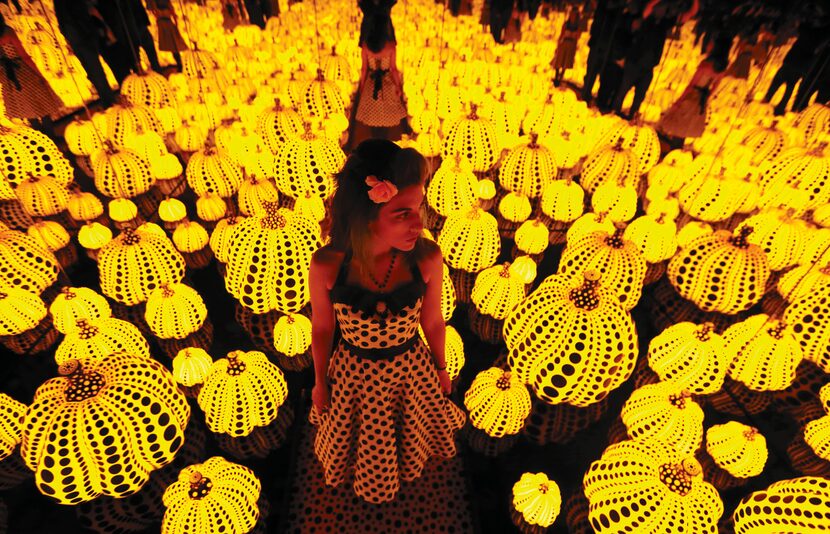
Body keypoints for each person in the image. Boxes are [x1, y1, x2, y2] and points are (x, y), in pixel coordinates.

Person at [309, 139, 465, 504]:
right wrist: (319, 382)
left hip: (410, 372)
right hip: (352, 376)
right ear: (366, 214)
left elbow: (433, 321)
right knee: (358, 439)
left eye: (418, 209)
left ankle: (405, 475)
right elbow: (322, 328)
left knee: (408, 434)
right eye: (402, 214)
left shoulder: (427, 258)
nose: (418, 224)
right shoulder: (327, 265)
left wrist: (442, 368)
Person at [611, 0, 699, 119]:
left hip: (648, 67)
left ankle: (631, 118)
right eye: (660, 8)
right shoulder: (646, 19)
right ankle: (614, 114)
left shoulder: (663, 25)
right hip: (634, 63)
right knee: (622, 92)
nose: (662, 11)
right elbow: (648, 6)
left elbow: (688, 15)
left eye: (663, 9)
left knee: (640, 97)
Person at [349, 0, 407, 149]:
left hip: (371, 83)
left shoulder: (366, 46)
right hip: (387, 83)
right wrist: (398, 86)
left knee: (372, 121)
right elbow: (393, 69)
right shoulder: (390, 47)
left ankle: (374, 144)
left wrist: (361, 88)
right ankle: (385, 144)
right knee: (387, 120)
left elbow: (364, 70)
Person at [0, 12, 62, 133]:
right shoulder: (7, 32)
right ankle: (51, 135)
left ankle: (42, 137)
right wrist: (39, 74)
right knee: (42, 103)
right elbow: (23, 55)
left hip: (6, 76)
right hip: (22, 71)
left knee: (27, 108)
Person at [656, 49, 727, 150]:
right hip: (701, 100)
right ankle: (676, 150)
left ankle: (674, 149)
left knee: (679, 124)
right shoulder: (721, 71)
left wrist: (679, 101)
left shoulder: (705, 66)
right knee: (687, 126)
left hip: (692, 95)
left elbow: (692, 85)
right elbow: (715, 87)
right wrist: (706, 96)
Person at [53, 0, 117, 106]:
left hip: (81, 35)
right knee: (95, 71)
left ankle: (108, 100)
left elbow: (64, 19)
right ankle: (108, 101)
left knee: (95, 70)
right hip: (83, 34)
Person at [763, 23, 825, 115]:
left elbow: (801, 27)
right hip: (801, 65)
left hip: (793, 62)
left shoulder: (809, 31)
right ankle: (780, 107)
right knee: (789, 86)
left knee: (778, 81)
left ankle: (768, 101)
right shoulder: (819, 36)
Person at [147, 0, 187, 71]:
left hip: (166, 22)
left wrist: (174, 18)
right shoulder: (155, 4)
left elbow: (169, 8)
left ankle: (179, 62)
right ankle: (179, 62)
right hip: (163, 22)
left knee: (173, 45)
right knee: (172, 45)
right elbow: (154, 8)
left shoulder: (163, 6)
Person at [551, 7, 581, 87]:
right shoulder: (566, 24)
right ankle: (557, 76)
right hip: (564, 43)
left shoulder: (578, 26)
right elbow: (562, 34)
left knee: (566, 62)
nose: (572, 16)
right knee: (559, 61)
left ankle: (560, 77)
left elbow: (577, 37)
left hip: (571, 45)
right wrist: (558, 44)